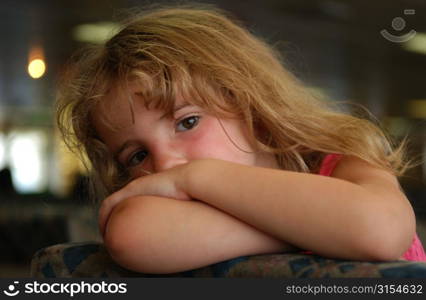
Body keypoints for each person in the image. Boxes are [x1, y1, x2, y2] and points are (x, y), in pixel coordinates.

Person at [56, 4, 426, 274]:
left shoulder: (342, 160)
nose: (165, 165)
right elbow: (132, 235)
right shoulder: (170, 210)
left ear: (250, 106)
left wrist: (193, 178)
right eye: (137, 156)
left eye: (187, 123)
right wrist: (317, 229)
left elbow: (380, 231)